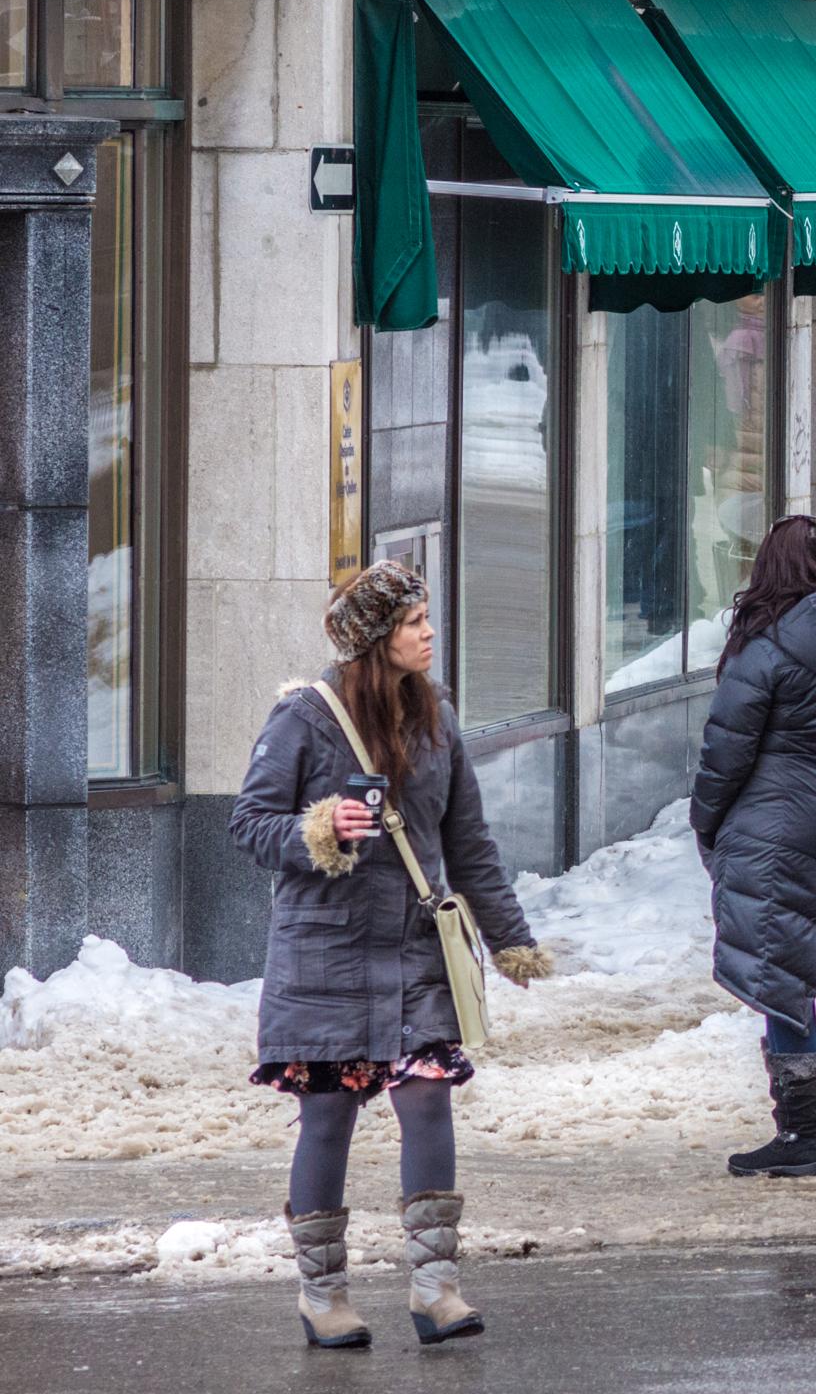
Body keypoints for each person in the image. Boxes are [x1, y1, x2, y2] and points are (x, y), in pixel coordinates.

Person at [230, 560, 551, 1350]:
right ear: (376, 641)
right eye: (414, 623)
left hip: (413, 950)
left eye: (427, 618)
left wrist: (509, 936)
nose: (429, 633)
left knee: (428, 1099)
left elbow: (467, 842)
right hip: (324, 955)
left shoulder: (436, 714)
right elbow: (248, 822)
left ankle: (436, 1287)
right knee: (330, 1113)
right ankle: (323, 1294)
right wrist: (319, 828)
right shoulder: (305, 718)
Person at [693, 515, 816, 1180]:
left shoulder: (766, 644)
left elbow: (726, 749)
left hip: (775, 820)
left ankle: (800, 1134)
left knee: (783, 980)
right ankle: (798, 1129)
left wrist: (706, 823)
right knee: (799, 968)